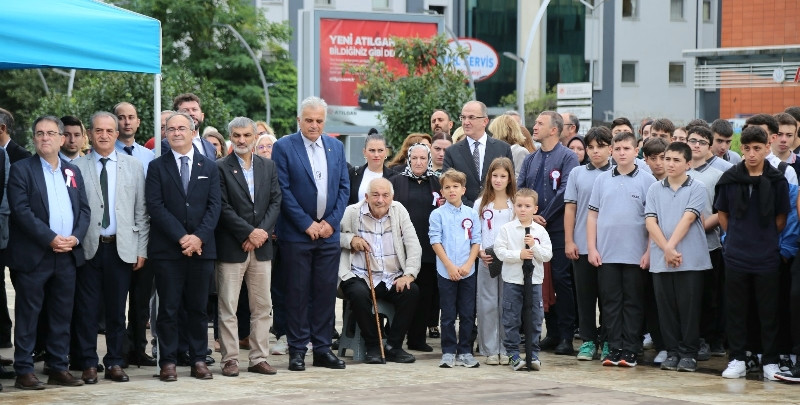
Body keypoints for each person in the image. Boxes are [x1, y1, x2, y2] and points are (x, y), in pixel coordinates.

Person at [8, 115, 91, 389]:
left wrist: (75, 239)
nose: (45, 138)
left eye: (51, 133)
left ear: (61, 138)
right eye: (40, 133)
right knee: (29, 316)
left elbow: (84, 210)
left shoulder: (72, 171)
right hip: (35, 256)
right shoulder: (21, 169)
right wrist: (51, 238)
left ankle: (57, 367)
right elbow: (21, 211)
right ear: (34, 138)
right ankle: (24, 370)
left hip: (67, 255)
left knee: (61, 315)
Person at [271, 96, 349, 371]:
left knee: (325, 293)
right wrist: (307, 223)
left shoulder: (336, 147)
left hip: (328, 234)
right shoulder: (283, 147)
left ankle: (323, 348)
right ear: (299, 121)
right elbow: (282, 190)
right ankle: (297, 350)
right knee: (297, 293)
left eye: (319, 121)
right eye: (309, 120)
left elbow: (343, 188)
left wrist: (330, 222)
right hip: (296, 234)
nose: (314, 125)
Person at [71, 111, 149, 384]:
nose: (104, 135)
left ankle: (115, 361)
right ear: (90, 134)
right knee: (87, 310)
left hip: (121, 248)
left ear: (117, 134)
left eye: (109, 131)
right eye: (98, 130)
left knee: (117, 311)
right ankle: (89, 364)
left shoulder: (134, 166)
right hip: (89, 248)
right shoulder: (77, 167)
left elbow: (141, 211)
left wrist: (141, 249)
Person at [146, 111, 222, 382]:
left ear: (192, 132)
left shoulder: (210, 167)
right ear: (165, 134)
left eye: (182, 128)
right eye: (171, 129)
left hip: (202, 250)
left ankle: (198, 359)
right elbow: (155, 206)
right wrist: (182, 237)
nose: (176, 132)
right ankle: (167, 361)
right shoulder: (157, 166)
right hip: (168, 250)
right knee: (168, 308)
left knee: (198, 308)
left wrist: (198, 238)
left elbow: (215, 207)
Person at [715, 126, 789, 381]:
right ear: (742, 149)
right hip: (736, 254)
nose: (752, 153)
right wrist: (736, 235)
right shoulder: (730, 179)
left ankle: (769, 360)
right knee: (736, 309)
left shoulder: (777, 180)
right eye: (746, 148)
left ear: (767, 147)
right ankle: (737, 358)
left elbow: (781, 218)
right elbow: (722, 214)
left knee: (768, 310)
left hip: (766, 254)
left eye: (757, 148)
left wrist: (763, 238)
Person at [215, 117, 281, 377]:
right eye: (236, 135)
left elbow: (276, 201)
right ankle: (230, 359)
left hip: (262, 247)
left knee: (262, 306)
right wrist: (248, 232)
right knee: (228, 306)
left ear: (255, 137)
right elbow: (222, 206)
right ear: (230, 136)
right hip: (232, 245)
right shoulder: (220, 167)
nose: (241, 140)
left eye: (246, 135)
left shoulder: (269, 166)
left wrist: (261, 233)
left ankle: (258, 357)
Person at [588, 131, 656, 368]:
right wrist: (592, 247)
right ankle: (614, 348)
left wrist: (649, 251)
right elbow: (592, 215)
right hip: (607, 254)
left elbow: (652, 221)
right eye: (617, 149)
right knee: (610, 303)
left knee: (634, 302)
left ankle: (631, 348)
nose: (622, 153)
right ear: (611, 151)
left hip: (636, 256)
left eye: (627, 149)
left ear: (636, 151)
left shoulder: (648, 181)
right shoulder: (602, 180)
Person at [645, 142, 711, 373]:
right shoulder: (654, 189)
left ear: (688, 164)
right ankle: (672, 351)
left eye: (676, 160)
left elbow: (689, 218)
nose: (669, 164)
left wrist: (670, 248)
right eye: (667, 158)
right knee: (666, 310)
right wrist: (666, 250)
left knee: (689, 309)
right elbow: (650, 221)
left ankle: (688, 353)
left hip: (690, 259)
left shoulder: (697, 187)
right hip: (662, 259)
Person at [517, 111, 579, 356]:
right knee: (541, 281)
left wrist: (544, 216)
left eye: (540, 123)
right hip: (534, 230)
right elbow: (521, 188)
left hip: (558, 229)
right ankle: (551, 332)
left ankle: (566, 335)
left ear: (554, 129)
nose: (534, 126)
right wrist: (531, 217)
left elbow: (566, 191)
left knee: (562, 280)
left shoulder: (568, 157)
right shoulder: (531, 159)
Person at [339, 177, 420, 364]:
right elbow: (334, 236)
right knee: (358, 294)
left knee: (412, 291)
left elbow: (413, 244)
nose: (380, 200)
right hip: (360, 274)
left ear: (391, 197)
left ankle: (393, 345)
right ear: (367, 196)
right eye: (375, 195)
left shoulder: (399, 211)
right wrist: (350, 240)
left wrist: (408, 274)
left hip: (391, 276)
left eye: (385, 195)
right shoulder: (352, 212)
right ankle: (373, 345)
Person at [564, 126, 613, 362]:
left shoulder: (618, 173)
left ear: (610, 148)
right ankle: (588, 340)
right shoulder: (577, 174)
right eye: (590, 147)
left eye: (600, 147)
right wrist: (569, 240)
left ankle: (608, 340)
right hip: (582, 245)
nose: (595, 152)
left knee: (608, 297)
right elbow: (571, 208)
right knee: (584, 296)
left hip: (610, 246)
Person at [390, 143, 442, 352]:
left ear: (428, 159)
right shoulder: (396, 182)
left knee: (425, 295)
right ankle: (395, 336)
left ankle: (417, 339)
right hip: (403, 250)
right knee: (405, 293)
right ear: (408, 160)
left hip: (429, 249)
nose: (419, 162)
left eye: (423, 158)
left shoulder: (438, 183)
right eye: (414, 159)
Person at [494, 188, 553, 371]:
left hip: (534, 282)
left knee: (535, 318)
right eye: (519, 205)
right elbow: (499, 251)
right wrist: (518, 254)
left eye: (527, 206)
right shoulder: (506, 229)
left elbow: (547, 255)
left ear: (535, 209)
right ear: (514, 207)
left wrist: (534, 247)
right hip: (513, 281)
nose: (523, 210)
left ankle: (533, 352)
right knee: (511, 318)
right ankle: (512, 353)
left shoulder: (540, 232)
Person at [429, 169, 481, 368]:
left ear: (463, 189)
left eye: (455, 187)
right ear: (442, 191)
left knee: (468, 313)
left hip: (468, 270)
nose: (451, 190)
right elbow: (435, 241)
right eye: (447, 187)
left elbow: (476, 241)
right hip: (446, 271)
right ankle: (449, 351)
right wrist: (450, 266)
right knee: (448, 313)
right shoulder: (437, 215)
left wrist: (468, 264)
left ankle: (466, 350)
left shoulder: (471, 214)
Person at [686, 128, 727, 360]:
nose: (696, 145)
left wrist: (698, 225)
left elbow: (721, 210)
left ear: (709, 146)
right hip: (681, 245)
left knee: (710, 296)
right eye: (692, 141)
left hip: (709, 244)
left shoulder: (717, 174)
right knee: (689, 296)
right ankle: (694, 338)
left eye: (702, 142)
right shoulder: (679, 170)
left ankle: (711, 338)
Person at [474, 157, 516, 365]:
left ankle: (506, 347)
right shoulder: (480, 203)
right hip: (487, 258)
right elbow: (475, 232)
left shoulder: (514, 204)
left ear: (510, 179)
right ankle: (490, 348)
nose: (498, 180)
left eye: (503, 176)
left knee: (507, 304)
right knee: (487, 303)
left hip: (509, 259)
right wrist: (480, 251)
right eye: (495, 175)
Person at [442, 100, 514, 207]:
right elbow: (448, 184)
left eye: (471, 117)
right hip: (462, 214)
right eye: (463, 117)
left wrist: (491, 207)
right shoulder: (451, 152)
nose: (466, 122)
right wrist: (472, 209)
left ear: (485, 121)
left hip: (495, 211)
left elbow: (509, 182)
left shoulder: (503, 149)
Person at [745, 113, 799, 186]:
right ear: (773, 136)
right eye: (779, 134)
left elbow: (792, 196)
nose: (784, 140)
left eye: (789, 135)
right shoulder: (747, 160)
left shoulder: (793, 168)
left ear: (795, 136)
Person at [165, 93, 217, 159]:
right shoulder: (166, 144)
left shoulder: (210, 147)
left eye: (194, 109)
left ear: (202, 116)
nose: (191, 113)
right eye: (185, 110)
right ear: (175, 116)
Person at [348, 134, 394, 205]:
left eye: (380, 150)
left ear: (386, 152)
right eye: (372, 150)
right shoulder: (353, 173)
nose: (376, 155)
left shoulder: (395, 177)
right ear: (364, 152)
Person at [114, 102, 155, 173]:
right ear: (113, 122)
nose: (127, 122)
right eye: (121, 118)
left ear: (138, 122)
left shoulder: (149, 156)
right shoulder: (106, 154)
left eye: (131, 117)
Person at [488, 114, 530, 179]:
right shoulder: (497, 150)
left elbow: (519, 179)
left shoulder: (520, 152)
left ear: (501, 132)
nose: (492, 136)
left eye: (494, 133)